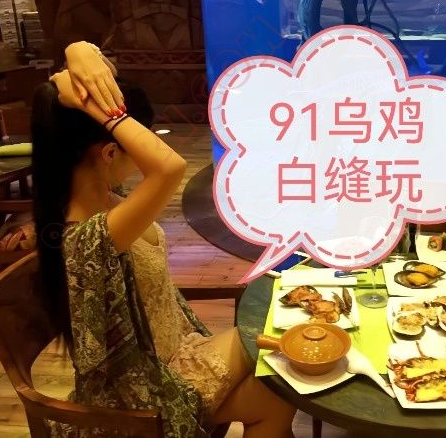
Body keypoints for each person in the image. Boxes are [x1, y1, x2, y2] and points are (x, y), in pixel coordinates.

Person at [31, 41, 296, 437]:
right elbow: (170, 167)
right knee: (276, 346)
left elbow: (90, 68)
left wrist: (77, 50)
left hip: (173, 352)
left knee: (275, 393)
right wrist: (100, 111)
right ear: (109, 153)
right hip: (144, 391)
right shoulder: (87, 239)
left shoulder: (108, 201)